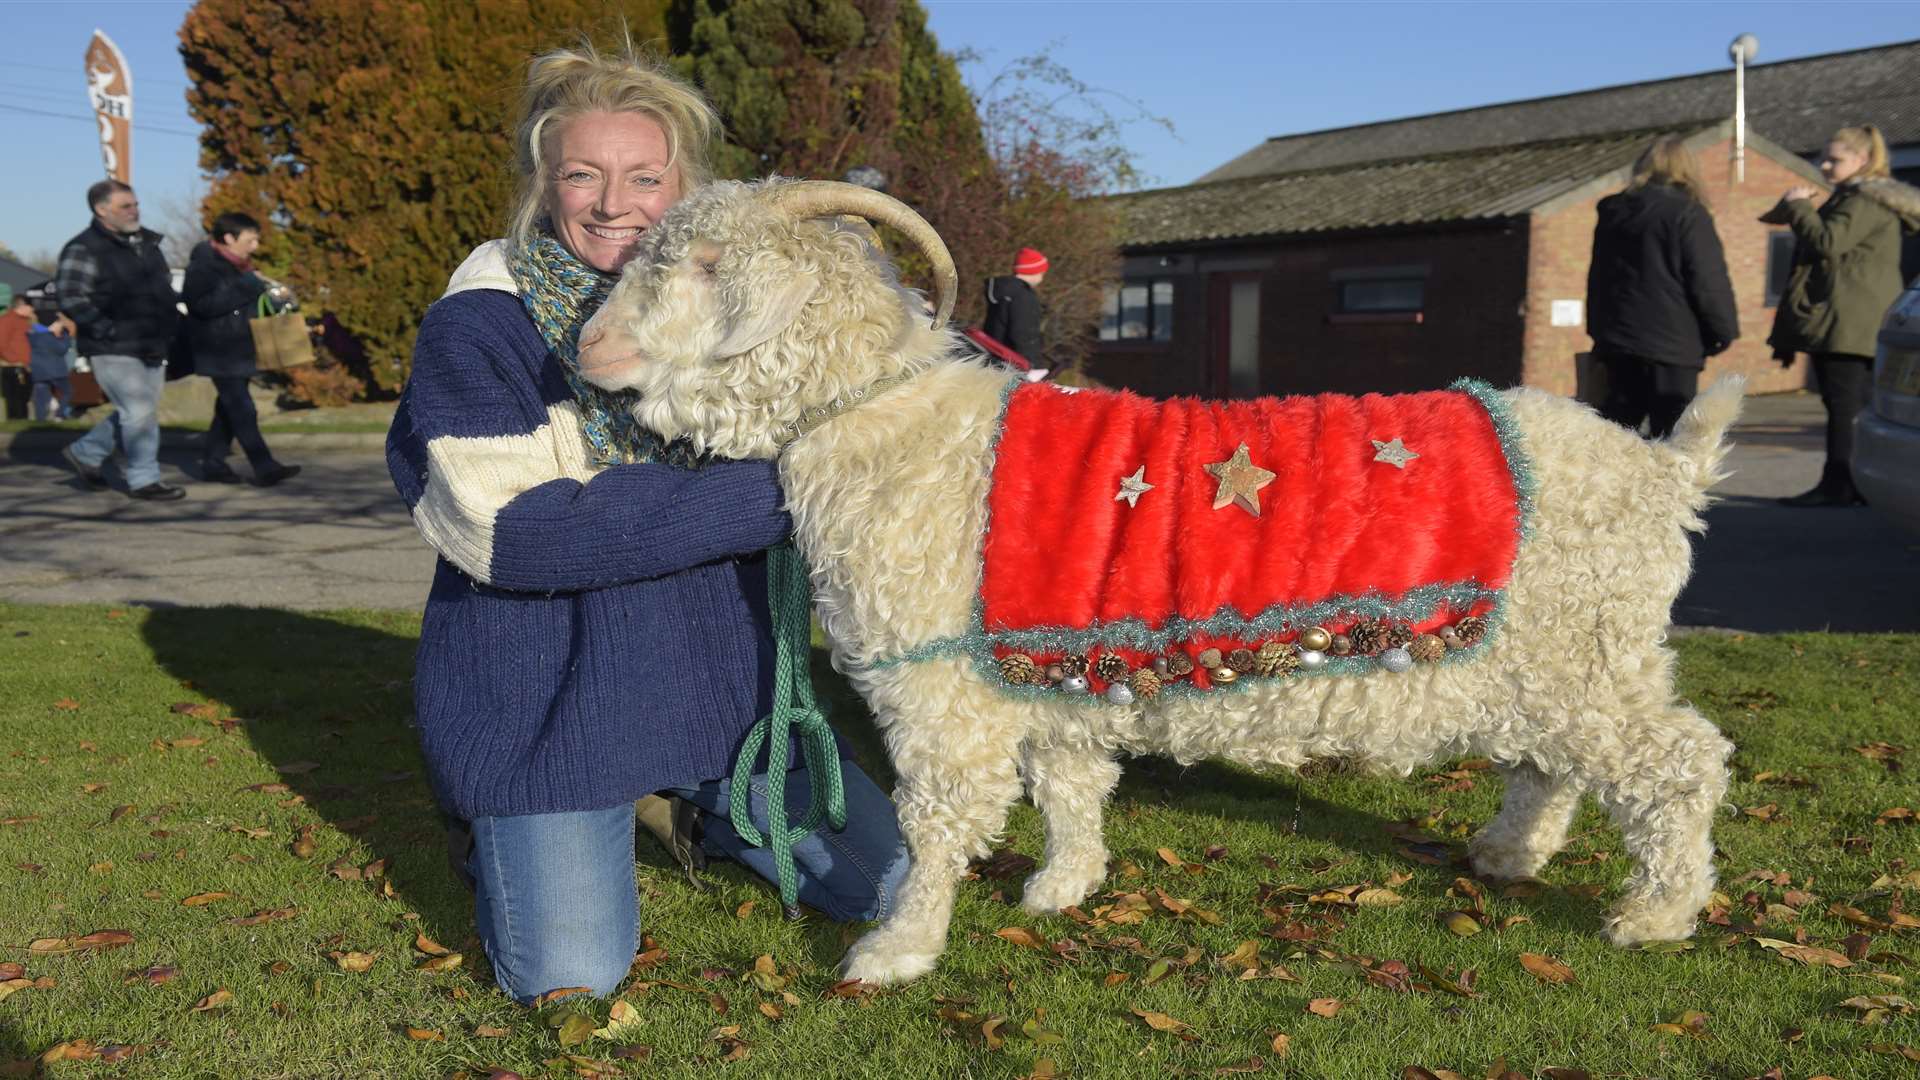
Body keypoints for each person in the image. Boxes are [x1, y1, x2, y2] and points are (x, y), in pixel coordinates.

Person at [385, 41, 908, 1004]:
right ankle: (495, 815)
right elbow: (521, 534)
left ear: (688, 188)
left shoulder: (732, 312)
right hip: (551, 708)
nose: (613, 203)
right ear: (542, 186)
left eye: (644, 176)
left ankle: (701, 807)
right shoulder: (478, 329)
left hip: (728, 697)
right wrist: (790, 488)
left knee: (899, 887)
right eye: (581, 175)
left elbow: (866, 412)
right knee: (574, 976)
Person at [1764, 125, 1920, 507]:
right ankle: (1847, 482)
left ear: (1863, 160)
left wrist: (1799, 205)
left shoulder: (1863, 199)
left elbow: (1827, 243)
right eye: (1824, 157)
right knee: (1847, 404)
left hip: (1848, 322)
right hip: (1847, 319)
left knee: (1843, 404)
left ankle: (1840, 484)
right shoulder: (1856, 197)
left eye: (1836, 159)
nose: (1825, 165)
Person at [1585, 135, 1739, 439]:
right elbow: (1707, 280)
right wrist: (1723, 331)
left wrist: (1599, 331)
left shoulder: (1613, 212)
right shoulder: (1687, 213)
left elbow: (1598, 276)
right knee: (1670, 438)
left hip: (1618, 342)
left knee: (1615, 437)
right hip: (1673, 345)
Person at [54, 179, 185, 500]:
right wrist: (106, 329)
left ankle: (86, 452)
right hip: (111, 346)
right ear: (102, 210)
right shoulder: (84, 248)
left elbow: (163, 290)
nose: (134, 210)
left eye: (135, 204)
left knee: (138, 412)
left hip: (152, 342)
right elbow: (70, 296)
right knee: (138, 411)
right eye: (125, 206)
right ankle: (144, 479)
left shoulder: (147, 245)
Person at [181, 211, 300, 486]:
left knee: (228, 408)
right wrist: (248, 285)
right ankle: (264, 465)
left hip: (241, 347)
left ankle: (213, 462)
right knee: (242, 407)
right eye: (250, 240)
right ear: (228, 238)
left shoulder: (238, 265)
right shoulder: (202, 266)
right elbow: (202, 306)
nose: (255, 247)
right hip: (219, 350)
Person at [980, 247, 1048, 369]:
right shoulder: (1023, 296)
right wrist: (1033, 364)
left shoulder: (1003, 291)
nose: (1042, 278)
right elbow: (1024, 333)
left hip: (992, 356)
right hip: (1012, 364)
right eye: (1042, 273)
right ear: (1033, 271)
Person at [28, 300, 76, 420]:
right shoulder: (50, 337)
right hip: (55, 371)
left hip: (39, 372)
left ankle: (40, 420)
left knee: (41, 398)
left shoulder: (33, 336)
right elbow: (62, 349)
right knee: (67, 391)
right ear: (53, 324)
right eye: (59, 323)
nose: (61, 325)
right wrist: (67, 338)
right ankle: (59, 414)